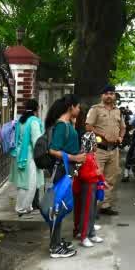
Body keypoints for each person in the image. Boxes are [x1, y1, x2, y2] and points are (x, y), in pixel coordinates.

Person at [44, 95, 86, 259]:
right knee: (57, 208)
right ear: (71, 107)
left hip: (66, 169)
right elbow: (53, 150)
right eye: (78, 107)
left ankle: (56, 241)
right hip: (61, 170)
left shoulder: (67, 124)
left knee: (60, 207)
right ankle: (55, 247)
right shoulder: (62, 126)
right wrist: (74, 158)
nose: (79, 110)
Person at [85, 85, 126, 216]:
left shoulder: (117, 111)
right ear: (102, 95)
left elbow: (123, 127)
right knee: (96, 178)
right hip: (99, 150)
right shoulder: (95, 109)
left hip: (114, 150)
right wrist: (102, 136)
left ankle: (106, 205)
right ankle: (92, 208)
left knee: (111, 179)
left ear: (115, 96)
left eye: (112, 93)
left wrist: (120, 137)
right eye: (107, 93)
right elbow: (88, 126)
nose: (109, 96)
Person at [9, 98, 45, 216]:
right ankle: (21, 207)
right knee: (30, 183)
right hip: (29, 155)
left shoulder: (21, 120)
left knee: (22, 182)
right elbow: (37, 141)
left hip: (19, 154)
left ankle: (27, 206)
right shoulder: (34, 121)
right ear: (37, 109)